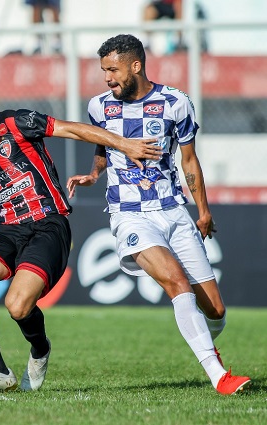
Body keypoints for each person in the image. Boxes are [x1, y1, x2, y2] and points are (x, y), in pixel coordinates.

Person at [0, 76, 162, 394]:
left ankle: (39, 349)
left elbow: (72, 129)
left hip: (48, 225)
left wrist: (123, 144)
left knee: (17, 306)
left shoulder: (18, 122)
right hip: (9, 228)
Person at [66, 34, 250, 395]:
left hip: (173, 210)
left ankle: (206, 342)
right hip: (129, 214)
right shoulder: (99, 106)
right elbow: (103, 146)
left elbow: (189, 160)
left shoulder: (175, 103)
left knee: (214, 310)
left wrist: (203, 211)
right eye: (103, 70)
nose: (107, 78)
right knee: (176, 283)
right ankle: (219, 376)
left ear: (136, 65)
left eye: (113, 70)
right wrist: (93, 173)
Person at [142, 0, 208, 54]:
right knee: (148, 9)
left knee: (179, 5)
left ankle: (179, 42)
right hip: (161, 4)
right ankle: (148, 43)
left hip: (175, 5)